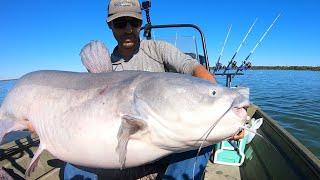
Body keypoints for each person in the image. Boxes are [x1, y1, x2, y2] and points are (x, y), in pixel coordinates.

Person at [64, 0, 243, 179]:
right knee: (73, 167)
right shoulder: (105, 69)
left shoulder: (158, 49)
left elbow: (194, 69)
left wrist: (221, 109)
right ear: (110, 25)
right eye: (120, 23)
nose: (128, 29)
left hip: (164, 148)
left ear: (140, 23)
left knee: (203, 142)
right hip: (121, 151)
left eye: (133, 23)